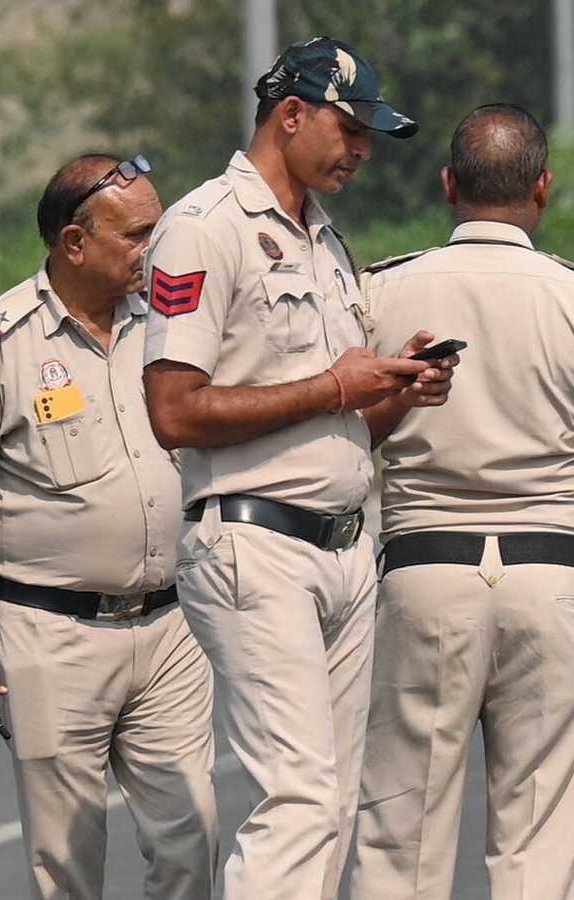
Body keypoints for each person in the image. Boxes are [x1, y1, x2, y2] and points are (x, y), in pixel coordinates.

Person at [345, 103, 574, 900]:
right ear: (543, 188)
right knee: (538, 844)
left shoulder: (380, 292)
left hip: (422, 574)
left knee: (401, 841)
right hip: (551, 576)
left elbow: (343, 438)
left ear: (448, 184)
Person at [141, 36, 453, 900]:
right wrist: (332, 385)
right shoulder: (204, 229)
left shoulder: (325, 241)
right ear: (290, 115)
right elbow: (174, 411)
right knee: (301, 797)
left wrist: (396, 387)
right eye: (350, 131)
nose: (360, 152)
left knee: (334, 803)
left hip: (345, 548)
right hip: (253, 546)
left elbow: (343, 419)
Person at [0, 154, 218, 900]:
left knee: (192, 840)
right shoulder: (1, 341)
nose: (155, 248)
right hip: (52, 635)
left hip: (171, 629)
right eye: (137, 233)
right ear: (75, 243)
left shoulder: (170, 327)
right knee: (66, 864)